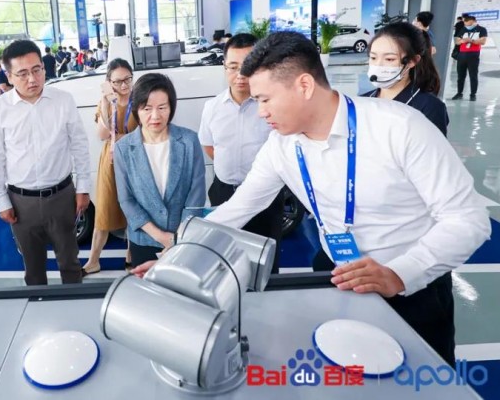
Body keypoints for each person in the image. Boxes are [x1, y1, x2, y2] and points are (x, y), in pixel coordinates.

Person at [131, 31, 489, 366]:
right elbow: (239, 208)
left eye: (265, 99)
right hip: (337, 278)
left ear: (304, 85)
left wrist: (401, 273)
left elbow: (469, 219)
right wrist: (176, 254)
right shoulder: (282, 145)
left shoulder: (400, 128)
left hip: (411, 290)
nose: (261, 111)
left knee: (421, 381)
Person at [0, 40, 91, 286]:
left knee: (70, 263)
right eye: (22, 73)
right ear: (9, 76)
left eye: (36, 70)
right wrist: (1, 200)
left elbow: (79, 145)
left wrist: (83, 188)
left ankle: (74, 304)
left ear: (44, 68)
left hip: (61, 196)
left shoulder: (63, 100)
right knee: (33, 268)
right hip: (22, 202)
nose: (32, 79)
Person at [198, 33, 283, 273]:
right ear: (224, 67)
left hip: (265, 197)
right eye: (233, 67)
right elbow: (209, 146)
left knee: (266, 264)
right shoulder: (212, 107)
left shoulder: (272, 106)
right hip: (223, 191)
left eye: (247, 66)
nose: (240, 74)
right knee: (223, 262)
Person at [114, 73, 206, 267]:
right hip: (144, 240)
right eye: (147, 108)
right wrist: (162, 237)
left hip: (184, 238)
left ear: (171, 108)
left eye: (162, 107)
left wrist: (178, 237)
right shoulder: (123, 148)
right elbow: (126, 200)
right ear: (137, 109)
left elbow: (195, 196)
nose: (155, 116)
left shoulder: (189, 141)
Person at [82, 59, 137, 275]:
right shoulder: (105, 103)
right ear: (109, 82)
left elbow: (145, 135)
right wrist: (106, 102)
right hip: (111, 161)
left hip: (135, 160)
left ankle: (130, 256)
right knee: (104, 209)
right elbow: (103, 134)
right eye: (117, 81)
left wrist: (120, 137)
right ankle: (93, 260)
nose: (124, 85)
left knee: (135, 209)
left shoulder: (140, 100)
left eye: (127, 79)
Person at [362, 22, 448, 136]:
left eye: (389, 59)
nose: (378, 65)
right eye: (373, 57)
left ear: (412, 61)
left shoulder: (430, 107)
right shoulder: (363, 101)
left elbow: (434, 147)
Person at [453, 14, 488, 101]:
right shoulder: (463, 29)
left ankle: (473, 94)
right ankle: (459, 93)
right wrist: (463, 41)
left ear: (474, 22)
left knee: (473, 75)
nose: (467, 26)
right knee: (460, 76)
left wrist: (472, 41)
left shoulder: (482, 29)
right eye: (465, 24)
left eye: (468, 24)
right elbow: (457, 41)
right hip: (462, 54)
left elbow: (483, 41)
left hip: (473, 55)